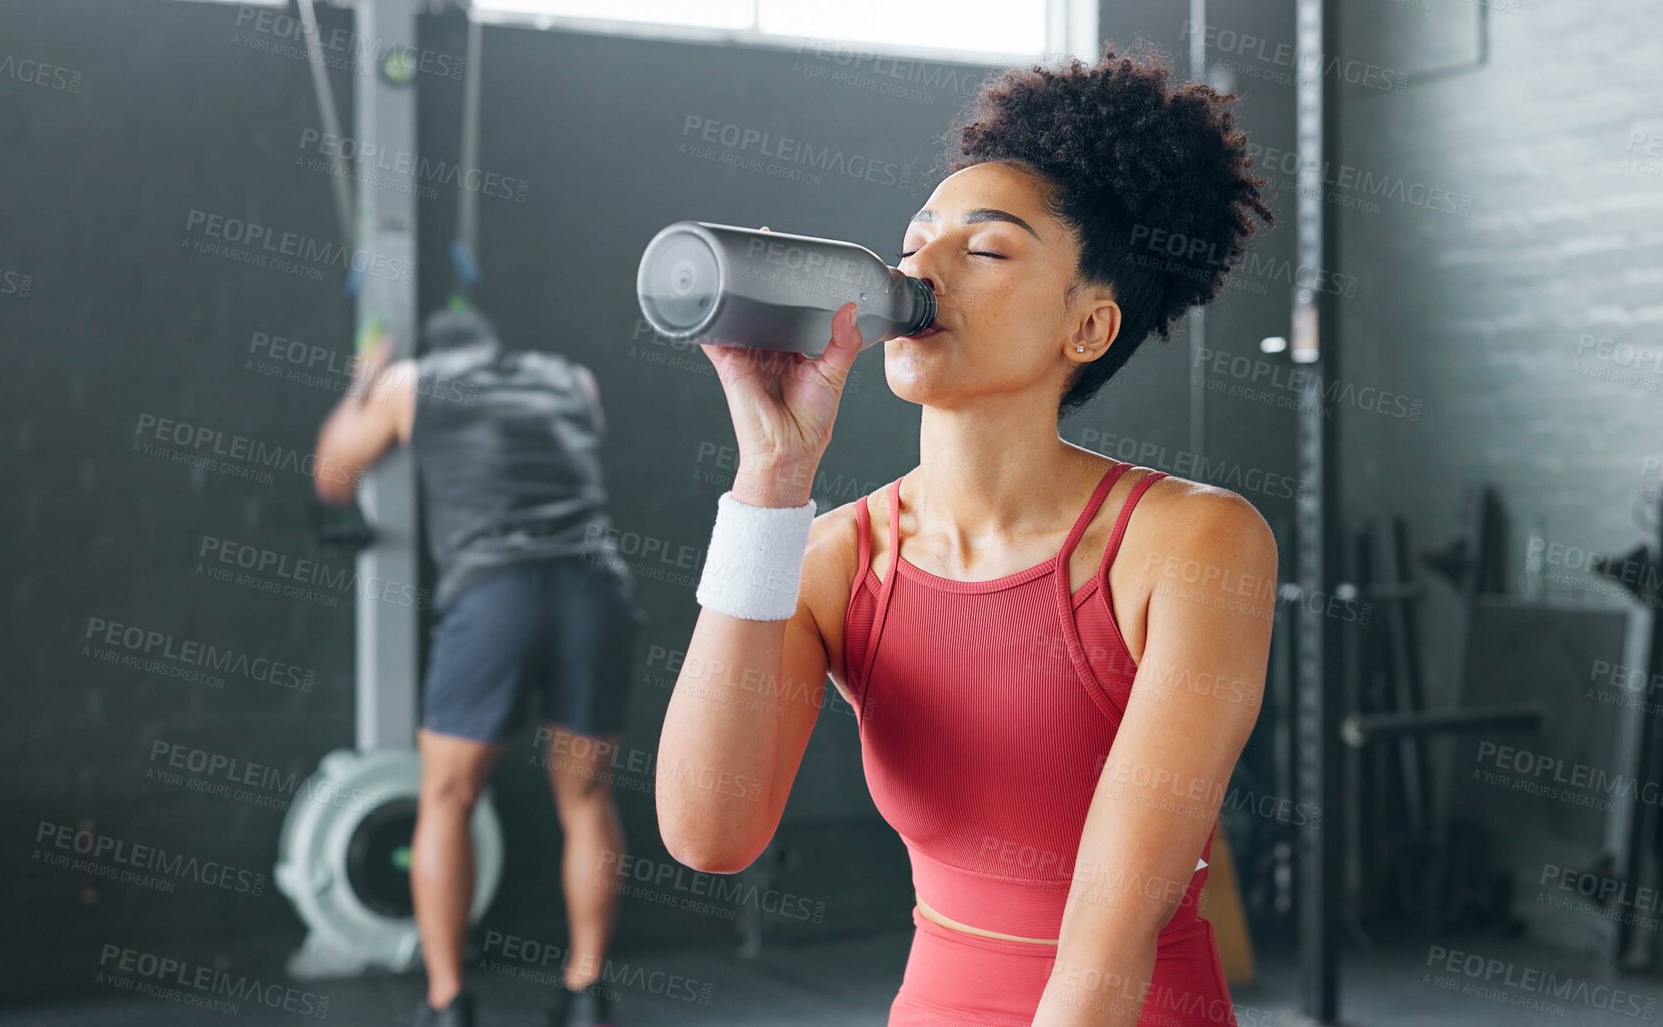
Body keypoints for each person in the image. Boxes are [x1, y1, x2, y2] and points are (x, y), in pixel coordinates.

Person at [656, 46, 1277, 1026]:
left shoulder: (1193, 542)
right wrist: (769, 483)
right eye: (917, 240)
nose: (920, 270)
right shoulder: (831, 556)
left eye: (985, 250)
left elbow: (1108, 945)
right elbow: (709, 831)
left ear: (1088, 326)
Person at [314, 306, 640, 1027]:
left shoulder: (409, 380)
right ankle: (586, 993)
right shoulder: (570, 379)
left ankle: (446, 1001)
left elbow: (334, 474)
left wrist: (363, 382)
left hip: (496, 595)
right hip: (594, 588)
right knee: (587, 797)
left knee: (448, 798)